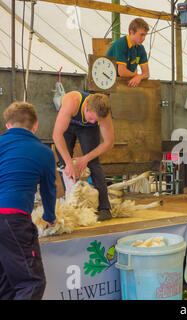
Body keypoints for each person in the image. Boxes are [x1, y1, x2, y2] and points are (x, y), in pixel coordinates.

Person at [0, 102, 57, 299]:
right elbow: (49, 191)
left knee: (6, 282)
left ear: (8, 125)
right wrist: (50, 216)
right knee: (31, 283)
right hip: (12, 219)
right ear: (35, 126)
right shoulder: (45, 152)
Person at [52, 91, 114, 221]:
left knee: (93, 163)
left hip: (88, 130)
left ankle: (104, 208)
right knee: (64, 164)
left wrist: (86, 158)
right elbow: (57, 135)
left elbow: (108, 143)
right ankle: (72, 205)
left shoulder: (103, 115)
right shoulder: (71, 101)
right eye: (91, 118)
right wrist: (69, 163)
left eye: (96, 120)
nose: (92, 121)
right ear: (86, 107)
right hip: (68, 125)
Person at [106, 18, 150, 87]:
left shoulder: (141, 48)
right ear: (132, 32)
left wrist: (139, 77)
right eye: (141, 35)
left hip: (122, 84)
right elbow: (122, 72)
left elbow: (146, 73)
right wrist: (137, 75)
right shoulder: (120, 44)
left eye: (145, 35)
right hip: (108, 83)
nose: (144, 38)